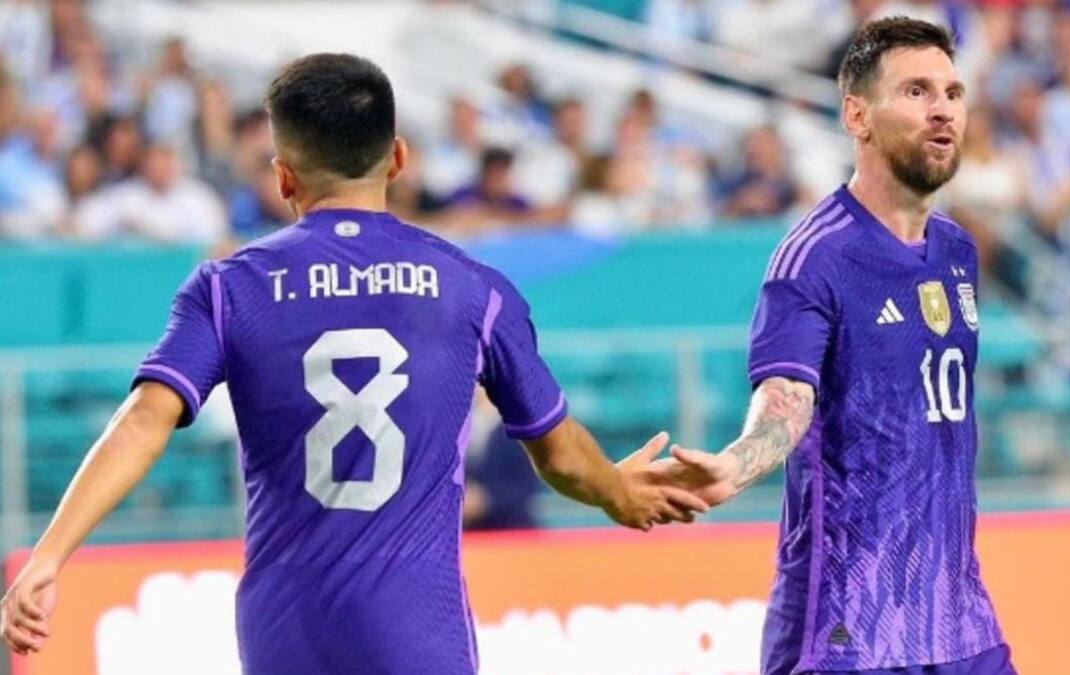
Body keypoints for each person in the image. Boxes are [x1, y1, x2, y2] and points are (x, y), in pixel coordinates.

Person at [0, 53, 706, 673]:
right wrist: (619, 489)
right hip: (417, 636)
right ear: (397, 158)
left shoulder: (228, 288)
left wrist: (49, 556)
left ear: (282, 177)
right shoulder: (472, 287)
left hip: (284, 634)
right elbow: (558, 454)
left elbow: (141, 424)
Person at [652, 18, 1014, 674]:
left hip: (958, 619)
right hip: (848, 626)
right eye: (915, 92)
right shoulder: (814, 257)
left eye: (953, 93)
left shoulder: (958, 250)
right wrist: (737, 464)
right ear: (857, 116)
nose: (942, 110)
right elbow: (787, 397)